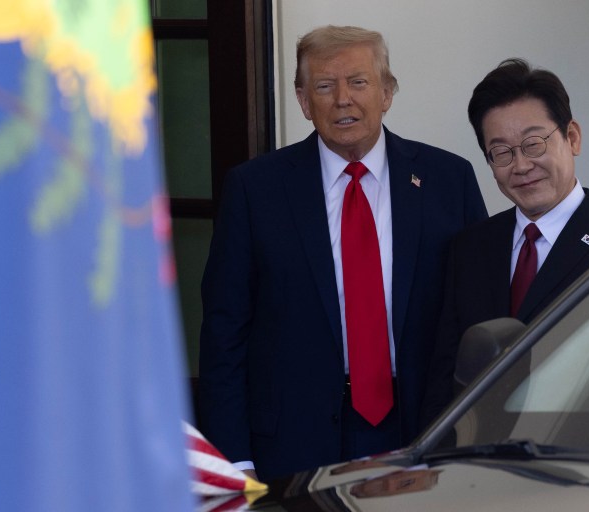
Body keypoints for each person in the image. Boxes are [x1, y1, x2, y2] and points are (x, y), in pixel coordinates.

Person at [197, 25, 487, 481]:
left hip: (423, 434)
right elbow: (224, 333)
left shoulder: (449, 180)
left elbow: (480, 321)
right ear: (302, 100)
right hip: (293, 443)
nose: (342, 99)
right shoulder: (256, 190)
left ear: (387, 92)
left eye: (358, 82)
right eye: (324, 86)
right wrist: (233, 461)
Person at [421, 58, 589, 426]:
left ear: (572, 137)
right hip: (479, 464)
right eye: (502, 152)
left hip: (581, 465)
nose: (521, 166)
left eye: (533, 144)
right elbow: (445, 377)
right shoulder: (470, 247)